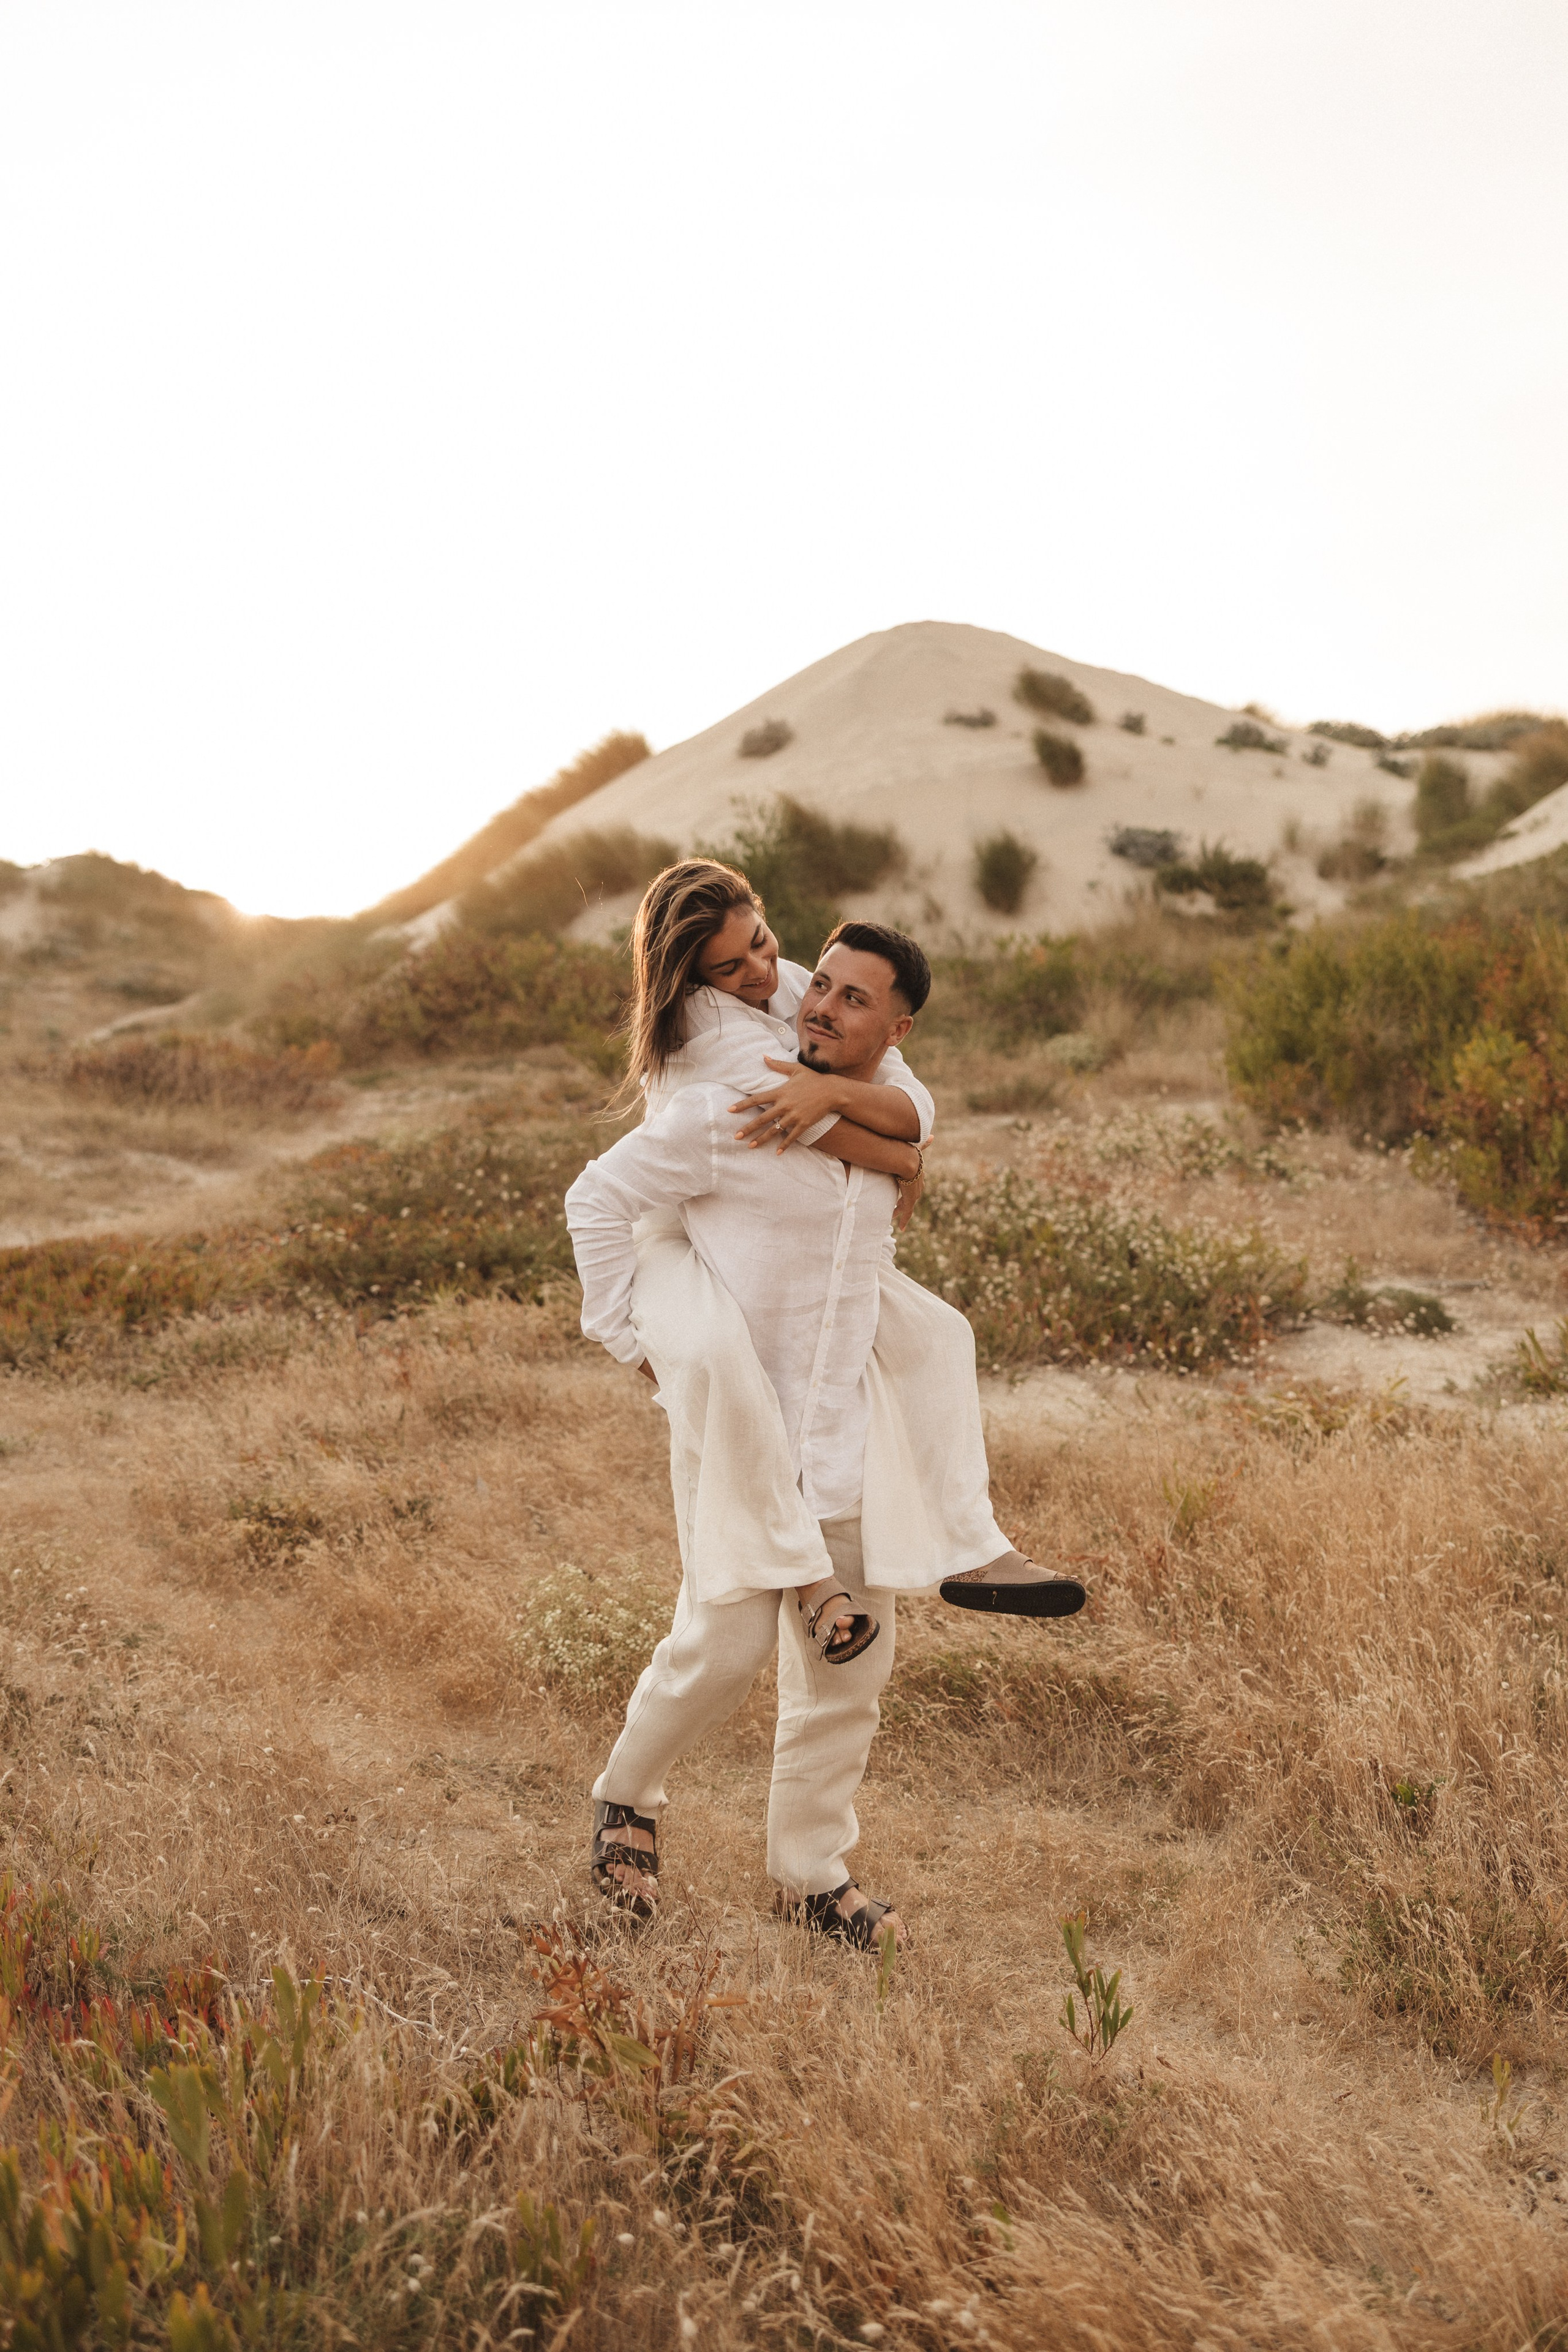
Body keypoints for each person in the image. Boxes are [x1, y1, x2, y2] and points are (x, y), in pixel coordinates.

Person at [565, 883, 1084, 1948]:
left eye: (770, 949)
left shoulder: (824, 1039)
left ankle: (810, 1872)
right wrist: (636, 1341)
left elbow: (908, 1109)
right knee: (722, 1643)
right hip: (745, 1410)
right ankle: (628, 1798)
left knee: (853, 1666)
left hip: (843, 1409)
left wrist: (870, 1129)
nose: (786, 986)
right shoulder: (722, 1098)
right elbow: (596, 1200)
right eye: (736, 967)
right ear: (693, 985)